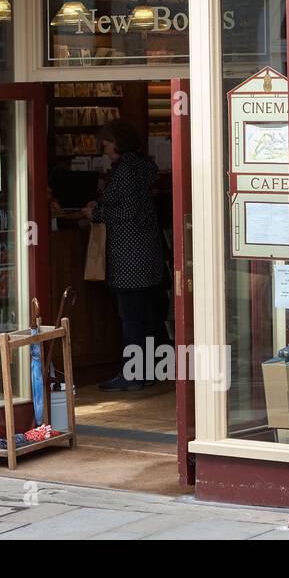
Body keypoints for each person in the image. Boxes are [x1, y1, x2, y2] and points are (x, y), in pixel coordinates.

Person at [85, 119, 165, 391]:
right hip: (145, 254)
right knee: (146, 316)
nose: (103, 149)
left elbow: (128, 211)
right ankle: (150, 370)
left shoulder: (126, 170)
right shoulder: (142, 167)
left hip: (129, 256)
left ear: (116, 142)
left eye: (105, 143)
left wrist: (96, 213)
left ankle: (133, 374)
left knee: (131, 316)